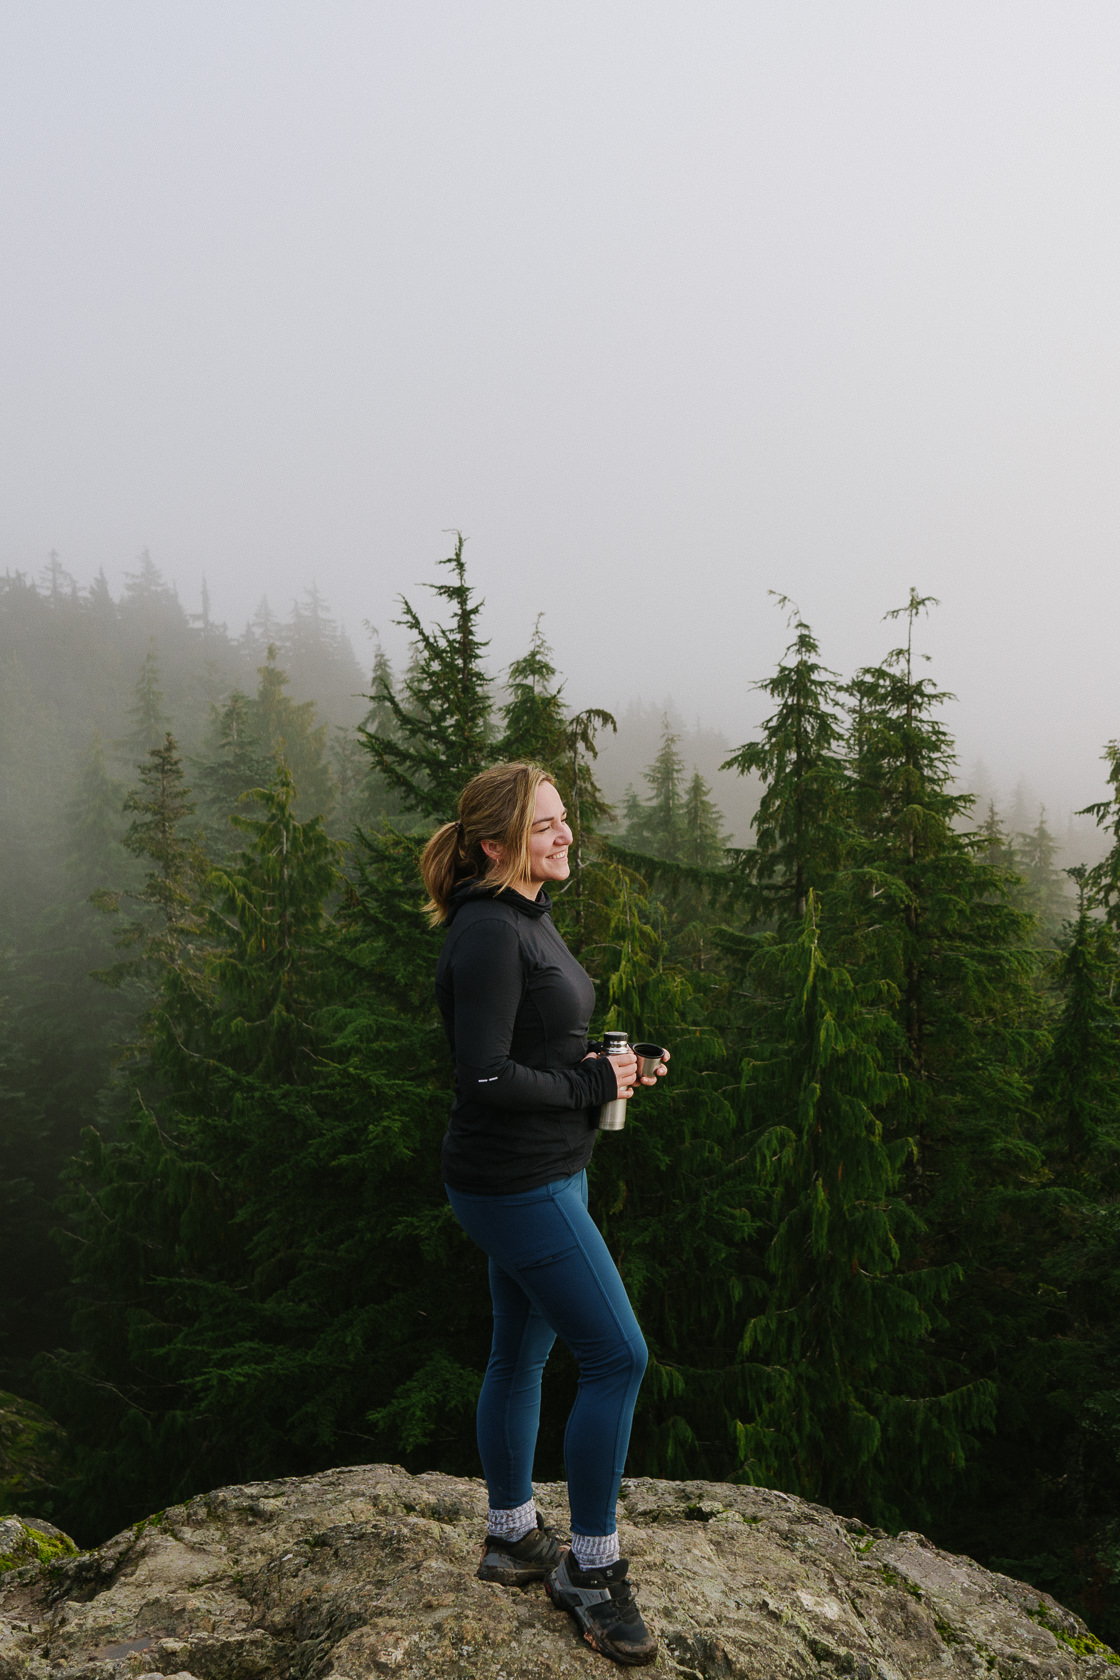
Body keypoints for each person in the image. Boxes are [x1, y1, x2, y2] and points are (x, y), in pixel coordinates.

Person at [421, 760, 666, 1668]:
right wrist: (589, 1082)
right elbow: (481, 1075)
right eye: (546, 826)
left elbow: (540, 1045)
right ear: (496, 845)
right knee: (618, 1356)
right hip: (517, 1184)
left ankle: (514, 1534)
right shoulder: (490, 931)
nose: (566, 836)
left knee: (520, 1352)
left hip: (546, 1171)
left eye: (566, 821)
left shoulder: (527, 916)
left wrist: (620, 1065)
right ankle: (590, 1572)